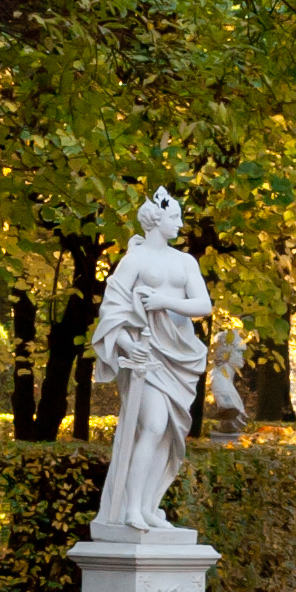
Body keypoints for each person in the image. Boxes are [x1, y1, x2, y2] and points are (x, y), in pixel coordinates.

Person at [88, 188, 212, 534]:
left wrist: (162, 300)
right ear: (157, 221)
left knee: (170, 433)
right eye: (175, 218)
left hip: (179, 356)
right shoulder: (135, 261)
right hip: (146, 357)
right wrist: (128, 346)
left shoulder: (185, 262)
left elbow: (203, 306)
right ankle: (130, 508)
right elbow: (112, 312)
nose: (181, 224)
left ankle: (148, 505)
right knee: (153, 425)